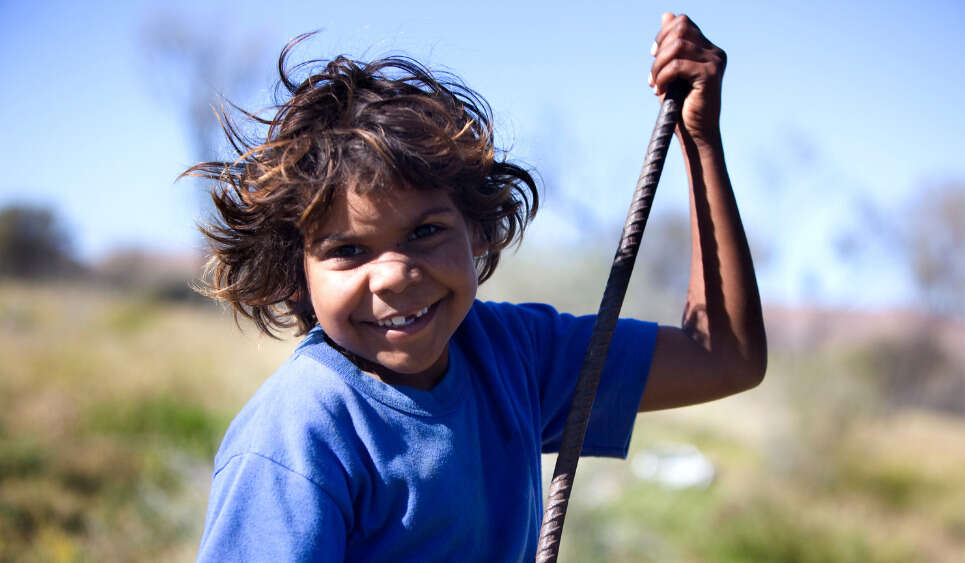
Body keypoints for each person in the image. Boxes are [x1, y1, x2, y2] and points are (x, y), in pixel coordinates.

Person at [191, 12, 765, 562]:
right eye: (347, 250)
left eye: (425, 231)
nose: (394, 275)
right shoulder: (297, 437)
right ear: (298, 274)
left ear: (478, 231)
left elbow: (724, 357)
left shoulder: (512, 355)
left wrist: (700, 140)